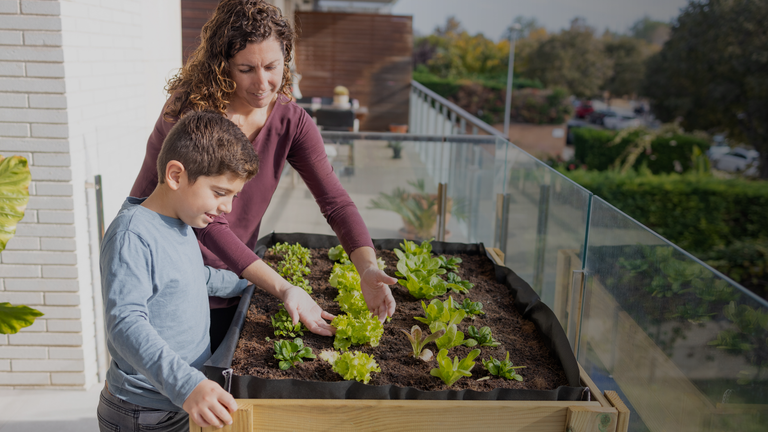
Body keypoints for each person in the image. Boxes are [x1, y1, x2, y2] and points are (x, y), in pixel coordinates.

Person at [130, 0, 396, 348]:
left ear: (286, 58)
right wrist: (283, 288)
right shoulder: (192, 114)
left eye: (272, 66)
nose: (262, 83)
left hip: (230, 276)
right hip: (166, 272)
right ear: (222, 65)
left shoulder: (291, 121)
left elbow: (335, 202)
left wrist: (367, 266)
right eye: (246, 69)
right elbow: (208, 223)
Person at [98, 111, 260, 431]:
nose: (227, 208)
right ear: (175, 175)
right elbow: (125, 323)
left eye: (233, 196)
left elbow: (195, 276)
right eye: (220, 193)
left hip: (175, 400)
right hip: (144, 412)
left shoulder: (180, 223)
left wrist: (246, 285)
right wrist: (188, 386)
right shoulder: (132, 234)